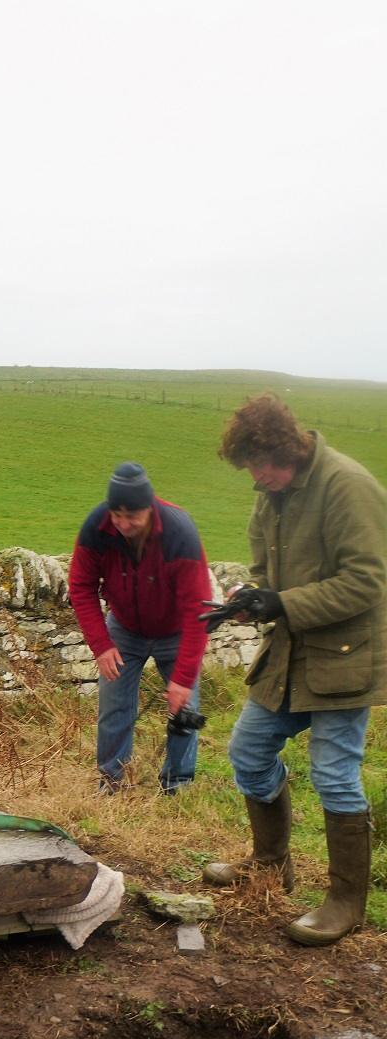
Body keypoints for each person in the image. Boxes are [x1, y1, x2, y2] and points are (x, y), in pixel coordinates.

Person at [204, 395, 387, 945]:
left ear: (289, 448)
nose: (257, 478)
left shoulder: (345, 486)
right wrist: (250, 597)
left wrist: (283, 603)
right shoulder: (273, 493)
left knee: (333, 774)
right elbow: (266, 570)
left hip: (345, 655)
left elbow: (368, 581)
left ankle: (345, 901)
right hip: (290, 651)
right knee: (248, 751)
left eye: (263, 465)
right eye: (250, 468)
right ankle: (269, 862)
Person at [68, 462, 211, 793]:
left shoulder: (179, 533)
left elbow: (197, 609)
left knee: (184, 708)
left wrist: (183, 679)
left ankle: (178, 783)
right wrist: (101, 645)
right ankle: (111, 781)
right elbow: (81, 586)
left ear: (149, 508)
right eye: (116, 514)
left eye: (131, 516)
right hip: (124, 628)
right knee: (113, 706)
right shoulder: (97, 526)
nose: (122, 523)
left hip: (175, 630)